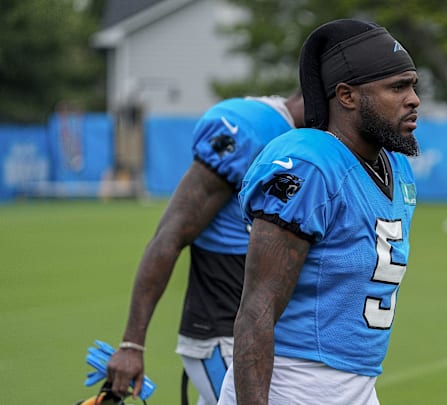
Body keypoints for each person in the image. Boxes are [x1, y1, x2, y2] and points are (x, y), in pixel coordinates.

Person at [216, 18, 420, 405]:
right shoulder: (310, 164)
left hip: (356, 384)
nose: (414, 99)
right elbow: (257, 307)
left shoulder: (396, 166)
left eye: (412, 85)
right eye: (397, 87)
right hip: (294, 383)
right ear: (346, 95)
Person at [105, 91, 304, 405]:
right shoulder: (249, 129)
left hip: (261, 331)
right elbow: (169, 235)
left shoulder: (310, 142)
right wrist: (132, 345)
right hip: (222, 330)